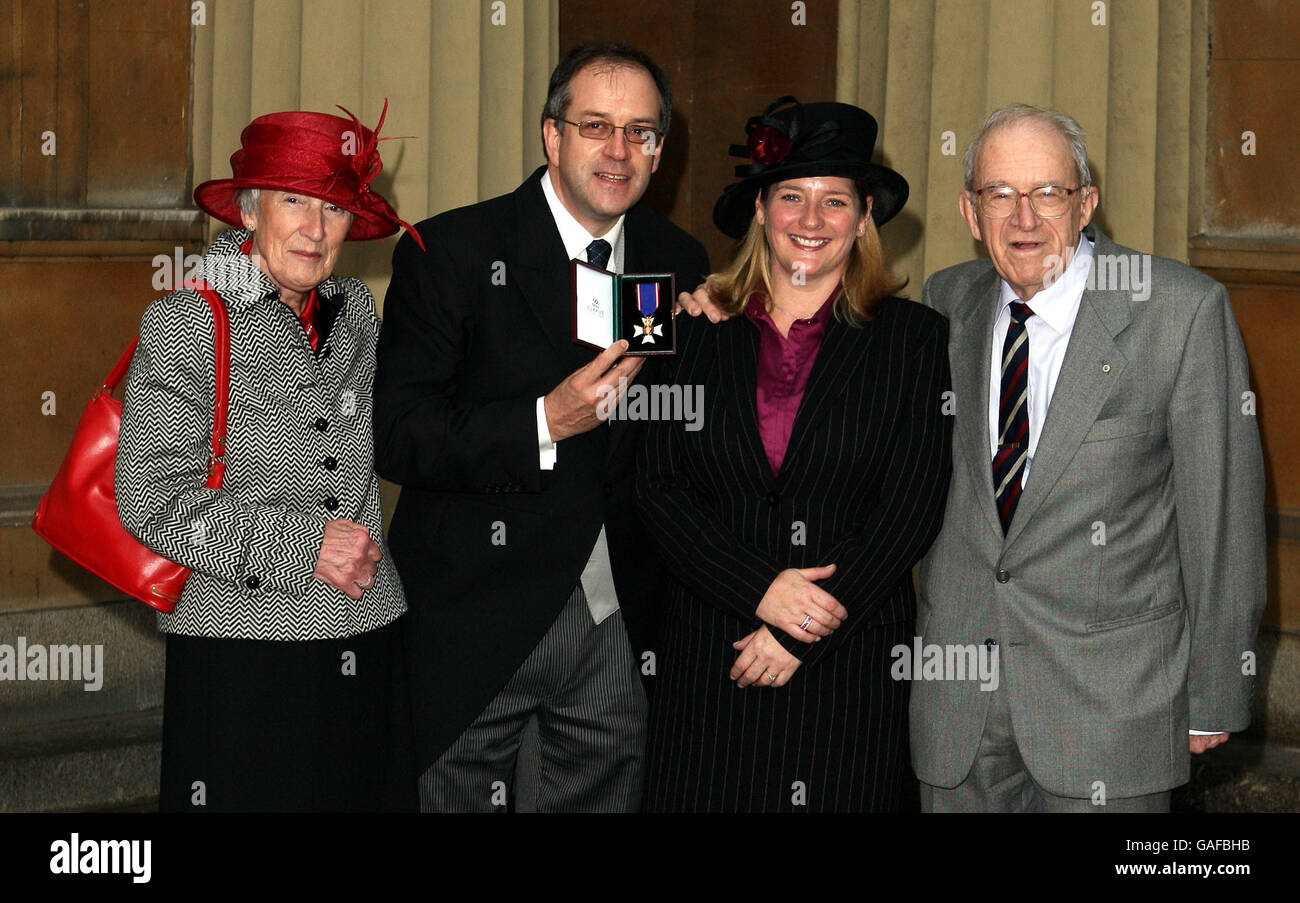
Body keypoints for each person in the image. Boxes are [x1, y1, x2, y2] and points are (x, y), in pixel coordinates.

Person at [373, 42, 709, 812]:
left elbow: (681, 437)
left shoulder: (676, 261)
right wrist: (541, 423)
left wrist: (723, 338)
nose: (619, 150)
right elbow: (397, 433)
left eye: (641, 131)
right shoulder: (452, 250)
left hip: (618, 622)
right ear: (551, 136)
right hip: (474, 619)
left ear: (660, 150)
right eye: (596, 125)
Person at [912, 103, 1266, 812]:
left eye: (1049, 193)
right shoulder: (946, 303)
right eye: (1000, 194)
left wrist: (1215, 690)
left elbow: (1221, 515)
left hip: (1111, 712)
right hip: (958, 708)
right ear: (970, 211)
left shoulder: (1180, 310)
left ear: (1087, 203)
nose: (1024, 220)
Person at [635, 97, 954, 812]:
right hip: (710, 664)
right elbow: (657, 487)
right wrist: (758, 588)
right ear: (759, 209)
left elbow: (911, 506)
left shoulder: (915, 339)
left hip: (848, 669)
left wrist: (802, 626)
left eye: (835, 200)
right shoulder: (688, 326)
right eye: (792, 197)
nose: (811, 220)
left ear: (865, 215)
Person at [116, 104, 423, 812]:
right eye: (294, 202)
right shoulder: (187, 319)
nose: (316, 230)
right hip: (244, 655)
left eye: (336, 209)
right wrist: (306, 544)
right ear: (250, 211)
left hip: (367, 633)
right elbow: (150, 499)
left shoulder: (355, 312)